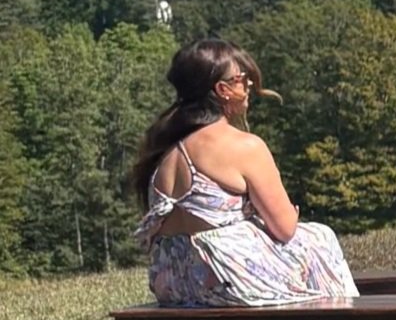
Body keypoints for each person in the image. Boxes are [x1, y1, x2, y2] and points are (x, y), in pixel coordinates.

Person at [132, 42, 356, 306]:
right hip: (224, 278)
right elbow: (285, 229)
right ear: (223, 90)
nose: (249, 85)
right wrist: (288, 216)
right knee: (319, 238)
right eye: (242, 79)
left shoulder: (164, 152)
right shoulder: (243, 146)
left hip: (173, 284)